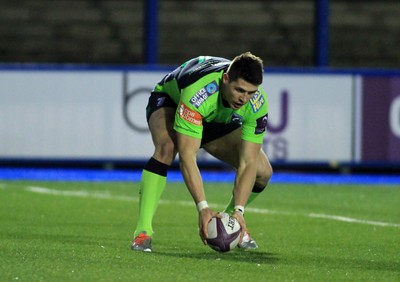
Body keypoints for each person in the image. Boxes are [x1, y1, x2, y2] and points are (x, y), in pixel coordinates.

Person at [131, 52, 272, 252]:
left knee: (262, 171)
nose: (244, 99)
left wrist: (239, 211)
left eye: (250, 92)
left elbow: (247, 162)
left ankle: (231, 224)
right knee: (167, 147)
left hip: (215, 115)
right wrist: (202, 208)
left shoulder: (256, 103)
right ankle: (143, 232)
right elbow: (188, 157)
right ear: (225, 79)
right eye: (239, 90)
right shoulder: (199, 93)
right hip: (171, 100)